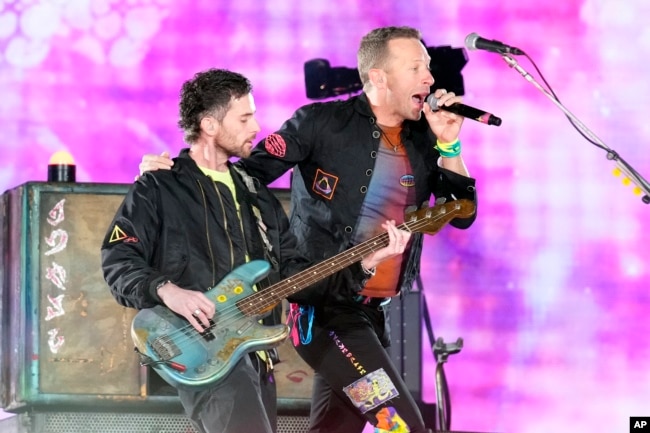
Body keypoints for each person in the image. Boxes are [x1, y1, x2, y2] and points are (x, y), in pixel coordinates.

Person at [139, 25, 477, 433]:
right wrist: (175, 174)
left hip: (371, 316)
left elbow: (461, 213)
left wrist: (450, 145)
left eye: (428, 67)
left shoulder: (424, 138)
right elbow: (243, 174)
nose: (429, 78)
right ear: (379, 77)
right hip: (325, 315)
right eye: (416, 68)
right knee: (402, 426)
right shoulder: (320, 123)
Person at [101, 68, 411, 433]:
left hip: (257, 357)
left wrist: (364, 266)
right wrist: (169, 292)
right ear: (210, 126)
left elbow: (297, 278)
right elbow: (119, 259)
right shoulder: (160, 186)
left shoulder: (257, 195)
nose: (257, 126)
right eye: (245, 117)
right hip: (205, 349)